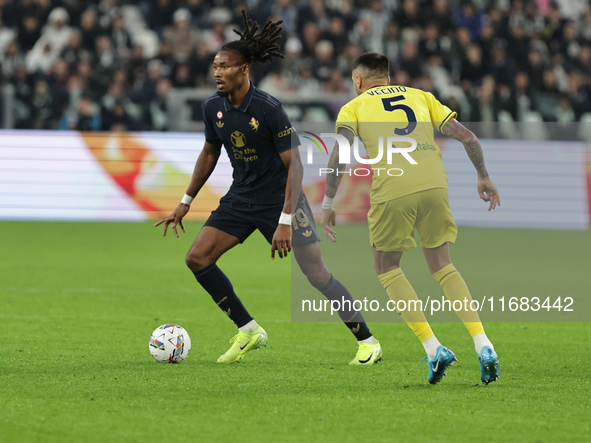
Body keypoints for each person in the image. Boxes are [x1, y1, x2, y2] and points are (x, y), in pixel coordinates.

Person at [155, 11, 381, 365]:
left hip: (282, 198)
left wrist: (285, 220)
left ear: (244, 69)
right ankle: (248, 330)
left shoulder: (269, 109)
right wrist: (185, 202)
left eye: (225, 66)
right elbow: (209, 153)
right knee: (197, 258)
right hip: (241, 197)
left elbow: (297, 167)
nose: (217, 72)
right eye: (215, 66)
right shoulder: (212, 107)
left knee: (316, 274)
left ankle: (367, 341)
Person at [321, 52, 501, 385]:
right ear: (388, 78)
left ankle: (433, 349)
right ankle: (483, 343)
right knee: (443, 265)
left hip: (393, 189)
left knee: (386, 267)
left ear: (358, 81)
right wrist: (483, 176)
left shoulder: (354, 107)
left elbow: (340, 153)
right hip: (435, 184)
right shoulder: (421, 96)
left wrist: (329, 201)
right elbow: (467, 136)